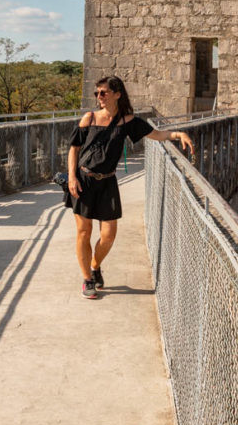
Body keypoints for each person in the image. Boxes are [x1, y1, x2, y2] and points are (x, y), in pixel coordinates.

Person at [68, 75, 194, 299]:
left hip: (107, 182)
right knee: (83, 232)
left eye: (104, 92)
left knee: (108, 235)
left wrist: (178, 133)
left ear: (117, 94)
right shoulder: (89, 118)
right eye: (97, 93)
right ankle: (87, 278)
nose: (99, 97)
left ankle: (95, 266)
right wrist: (71, 177)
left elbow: (157, 135)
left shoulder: (128, 122)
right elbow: (74, 149)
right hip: (84, 180)